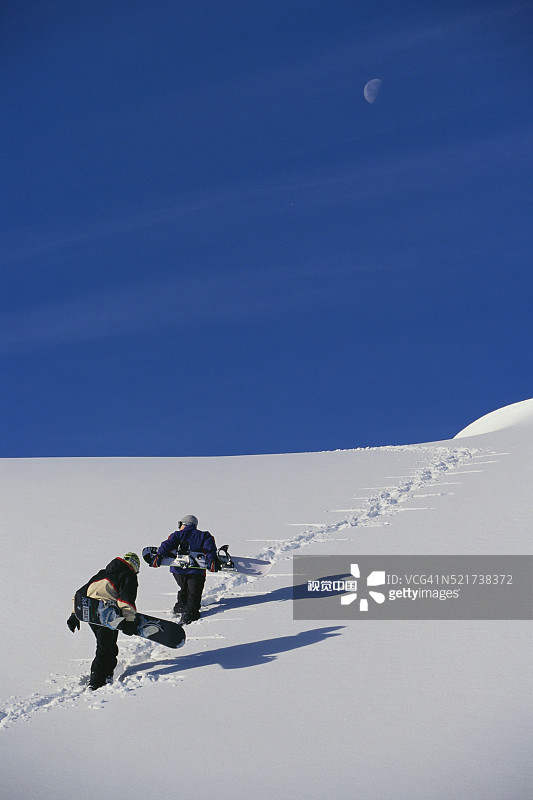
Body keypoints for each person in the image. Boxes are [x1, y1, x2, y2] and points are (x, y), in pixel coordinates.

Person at [66, 552, 140, 690]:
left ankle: (106, 675)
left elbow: (81, 593)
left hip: (89, 610)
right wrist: (130, 621)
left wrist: (75, 614)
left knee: (107, 644)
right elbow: (126, 600)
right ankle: (96, 681)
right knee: (105, 647)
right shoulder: (128, 575)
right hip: (106, 613)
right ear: (134, 565)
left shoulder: (103, 573)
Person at [152, 515, 217, 624]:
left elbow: (167, 544)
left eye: (180, 524)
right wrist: (212, 560)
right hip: (196, 571)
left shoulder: (177, 535)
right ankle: (190, 614)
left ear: (184, 524)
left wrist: (159, 555)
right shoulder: (204, 536)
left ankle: (180, 607)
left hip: (178, 571)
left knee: (184, 587)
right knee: (194, 592)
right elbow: (209, 548)